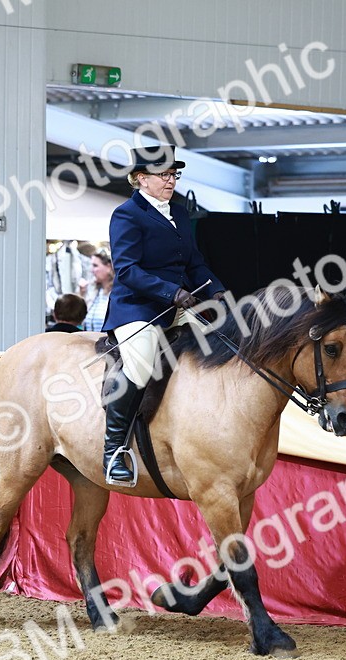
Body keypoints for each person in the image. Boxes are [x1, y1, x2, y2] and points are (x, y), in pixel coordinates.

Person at [101, 145, 227, 486]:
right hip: (137, 308)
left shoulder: (181, 214)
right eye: (164, 175)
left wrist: (216, 289)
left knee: (220, 343)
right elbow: (127, 270)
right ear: (142, 179)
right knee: (141, 363)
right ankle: (113, 452)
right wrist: (172, 292)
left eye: (174, 175)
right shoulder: (127, 215)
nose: (171, 181)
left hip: (176, 307)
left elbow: (193, 262)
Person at [82, 250, 113, 332]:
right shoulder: (95, 292)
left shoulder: (116, 293)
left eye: (95, 266)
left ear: (108, 267)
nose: (92, 270)